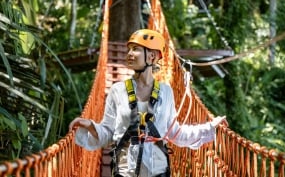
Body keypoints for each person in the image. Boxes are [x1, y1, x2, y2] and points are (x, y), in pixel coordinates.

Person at [69, 29, 228, 177]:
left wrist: (210, 127)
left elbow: (174, 132)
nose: (130, 54)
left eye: (136, 49)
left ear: (152, 56)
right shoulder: (118, 90)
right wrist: (89, 125)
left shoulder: (166, 92)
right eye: (129, 49)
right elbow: (109, 132)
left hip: (157, 169)